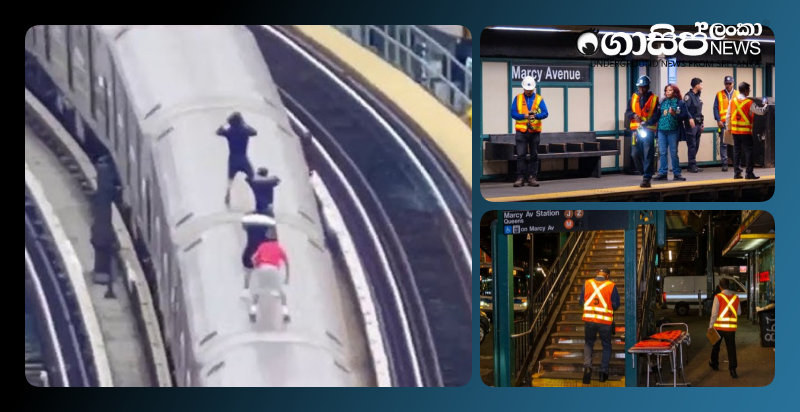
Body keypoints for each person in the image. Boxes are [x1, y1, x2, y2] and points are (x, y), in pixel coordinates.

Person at [579, 268, 621, 384]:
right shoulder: (611, 285)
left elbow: (581, 302)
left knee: (588, 343)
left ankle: (587, 368)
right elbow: (616, 304)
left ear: (597, 273)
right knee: (606, 346)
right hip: (605, 322)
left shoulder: (587, 283)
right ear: (607, 276)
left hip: (590, 320)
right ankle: (603, 373)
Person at [509, 76, 549, 188]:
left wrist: (536, 115)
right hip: (521, 132)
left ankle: (532, 177)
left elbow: (545, 113)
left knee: (534, 155)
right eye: (527, 89)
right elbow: (513, 113)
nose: (529, 91)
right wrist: (524, 116)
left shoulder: (539, 99)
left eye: (531, 89)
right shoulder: (517, 98)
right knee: (521, 155)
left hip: (534, 132)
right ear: (523, 88)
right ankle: (520, 178)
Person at [248, 223, 291, 324]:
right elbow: (287, 262)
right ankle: (285, 314)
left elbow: (253, 258)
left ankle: (253, 312)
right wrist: (287, 277)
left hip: (263, 269)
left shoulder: (262, 246)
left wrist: (257, 268)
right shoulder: (279, 247)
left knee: (258, 291)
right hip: (273, 270)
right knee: (281, 293)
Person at [727, 82, 768, 180]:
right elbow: (761, 112)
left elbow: (728, 115)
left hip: (735, 132)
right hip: (746, 132)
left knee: (736, 151)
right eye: (749, 90)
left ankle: (737, 173)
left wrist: (728, 127)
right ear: (745, 91)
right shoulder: (749, 102)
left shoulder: (732, 101)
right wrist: (766, 106)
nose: (749, 91)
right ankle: (749, 173)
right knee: (748, 151)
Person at [624, 75, 660, 188]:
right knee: (634, 153)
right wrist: (634, 115)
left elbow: (656, 115)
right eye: (640, 87)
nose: (641, 89)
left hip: (648, 131)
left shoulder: (654, 99)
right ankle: (644, 172)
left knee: (648, 154)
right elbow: (628, 112)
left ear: (648, 87)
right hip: (636, 130)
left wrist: (648, 122)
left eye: (643, 87)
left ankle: (646, 178)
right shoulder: (633, 97)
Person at [217, 112, 257, 206]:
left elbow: (218, 132)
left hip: (233, 158)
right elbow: (254, 132)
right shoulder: (244, 131)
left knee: (230, 178)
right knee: (252, 177)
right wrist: (245, 124)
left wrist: (224, 124)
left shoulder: (230, 132)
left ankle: (228, 194)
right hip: (243, 157)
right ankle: (257, 195)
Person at [653, 83, 689, 182]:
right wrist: (649, 122)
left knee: (673, 153)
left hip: (673, 130)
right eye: (666, 90)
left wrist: (675, 114)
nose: (667, 92)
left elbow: (684, 116)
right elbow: (657, 115)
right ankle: (662, 173)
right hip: (661, 130)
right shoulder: (662, 102)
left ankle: (677, 173)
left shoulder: (680, 103)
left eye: (670, 90)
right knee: (663, 152)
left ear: (675, 92)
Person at [708, 278, 742, 378]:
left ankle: (714, 363)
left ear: (720, 286)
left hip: (719, 327)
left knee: (716, 346)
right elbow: (739, 312)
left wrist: (710, 326)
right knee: (731, 348)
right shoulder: (736, 297)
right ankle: (733, 370)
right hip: (731, 329)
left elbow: (714, 314)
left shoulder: (718, 297)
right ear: (729, 286)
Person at [714, 76, 736, 172]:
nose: (728, 85)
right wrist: (718, 120)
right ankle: (724, 163)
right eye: (726, 83)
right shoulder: (719, 94)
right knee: (724, 144)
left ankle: (737, 163)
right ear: (724, 84)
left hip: (735, 123)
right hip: (723, 123)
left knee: (736, 143)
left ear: (733, 84)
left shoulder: (738, 94)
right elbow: (715, 108)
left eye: (730, 83)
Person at [684, 78, 704, 173]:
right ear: (696, 85)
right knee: (692, 144)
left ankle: (693, 164)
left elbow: (699, 111)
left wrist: (702, 123)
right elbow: (685, 109)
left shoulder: (697, 96)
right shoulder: (688, 96)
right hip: (691, 125)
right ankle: (691, 165)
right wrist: (690, 118)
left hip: (698, 124)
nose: (702, 86)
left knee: (696, 144)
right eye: (700, 84)